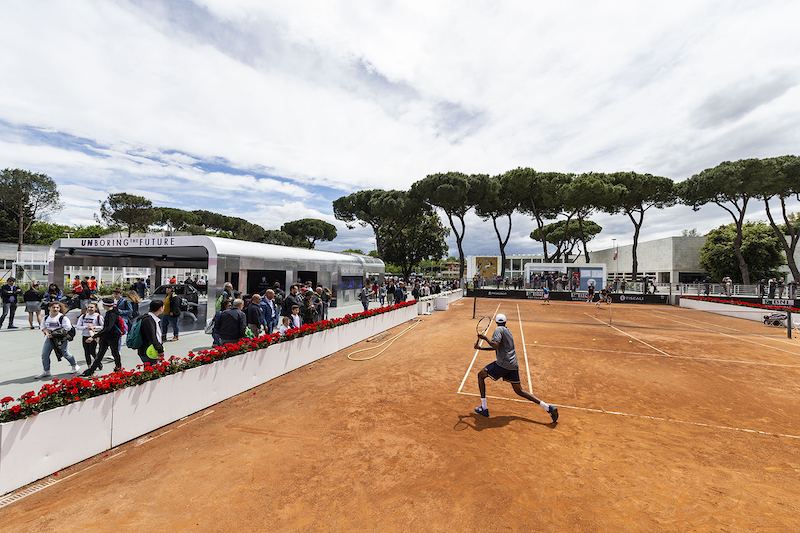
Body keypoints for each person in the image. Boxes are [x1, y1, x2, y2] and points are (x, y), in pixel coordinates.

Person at [473, 314, 558, 422]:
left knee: (481, 375)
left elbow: (495, 346)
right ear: (505, 321)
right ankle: (548, 408)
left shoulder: (498, 329)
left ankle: (484, 408)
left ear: (496, 322)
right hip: (513, 364)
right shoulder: (508, 331)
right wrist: (481, 348)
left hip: (503, 364)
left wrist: (485, 338)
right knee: (519, 390)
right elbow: (498, 347)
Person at [36, 301, 81, 378]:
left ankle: (74, 365)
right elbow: (42, 327)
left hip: (61, 338)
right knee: (44, 354)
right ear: (49, 308)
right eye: (53, 307)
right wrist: (46, 332)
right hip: (50, 338)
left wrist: (54, 333)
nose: (55, 309)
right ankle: (46, 371)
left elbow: (67, 328)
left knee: (65, 353)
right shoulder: (46, 317)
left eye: (57, 307)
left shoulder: (63, 317)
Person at [84, 298, 123, 375]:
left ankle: (118, 368)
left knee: (114, 353)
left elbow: (108, 328)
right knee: (100, 353)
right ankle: (91, 370)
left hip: (113, 336)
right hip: (106, 336)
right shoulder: (111, 313)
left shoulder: (112, 314)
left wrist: (94, 336)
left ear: (104, 305)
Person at [75, 302, 103, 367]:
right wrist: (86, 327)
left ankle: (98, 362)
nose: (90, 309)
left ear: (96, 308)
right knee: (86, 352)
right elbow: (78, 327)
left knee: (92, 352)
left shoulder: (98, 316)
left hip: (93, 336)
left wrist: (94, 327)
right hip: (84, 336)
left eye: (92, 307)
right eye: (88, 307)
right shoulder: (83, 316)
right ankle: (89, 367)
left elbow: (103, 326)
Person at [138, 299, 165, 364]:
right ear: (160, 309)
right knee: (151, 370)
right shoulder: (148, 320)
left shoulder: (151, 318)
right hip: (148, 351)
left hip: (149, 350)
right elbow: (152, 337)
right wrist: (159, 349)